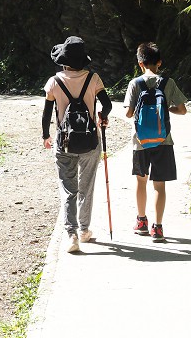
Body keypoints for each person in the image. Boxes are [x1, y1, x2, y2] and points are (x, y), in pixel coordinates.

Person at [42, 36, 112, 253]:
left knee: (68, 188)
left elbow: (46, 114)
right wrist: (102, 116)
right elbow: (107, 104)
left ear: (63, 59)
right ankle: (84, 230)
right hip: (90, 141)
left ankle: (71, 234)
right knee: (86, 187)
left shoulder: (55, 81)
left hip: (64, 143)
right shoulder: (93, 78)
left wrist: (46, 135)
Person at [124, 41, 187, 242]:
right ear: (159, 63)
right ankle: (158, 228)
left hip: (140, 142)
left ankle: (141, 221)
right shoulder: (168, 83)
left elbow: (128, 113)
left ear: (140, 63)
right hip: (164, 141)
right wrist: (167, 109)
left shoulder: (135, 83)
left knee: (141, 181)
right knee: (159, 186)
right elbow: (183, 109)